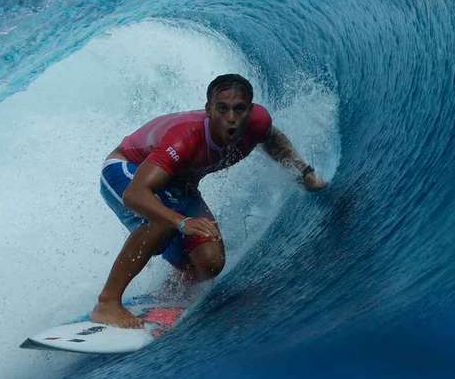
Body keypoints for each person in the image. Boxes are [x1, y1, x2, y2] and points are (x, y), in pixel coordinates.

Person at [93, 73, 327, 328]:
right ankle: (107, 303)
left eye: (240, 109)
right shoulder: (186, 138)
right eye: (222, 109)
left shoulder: (257, 122)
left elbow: (271, 140)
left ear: (250, 109)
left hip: (176, 184)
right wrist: (181, 222)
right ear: (208, 109)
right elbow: (135, 194)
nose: (231, 118)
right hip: (127, 170)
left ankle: (170, 291)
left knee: (209, 263)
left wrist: (303, 173)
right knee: (161, 220)